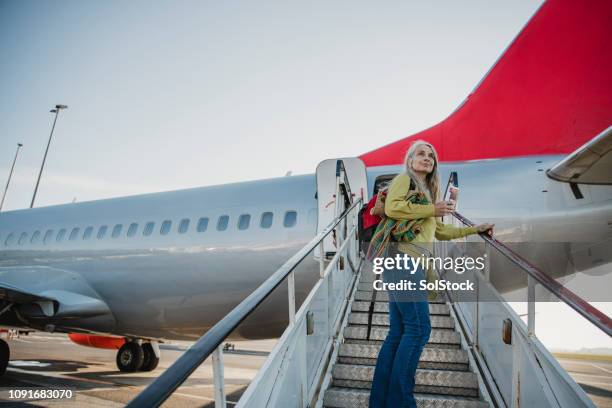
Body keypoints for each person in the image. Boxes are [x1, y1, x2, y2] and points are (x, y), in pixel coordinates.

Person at [368, 140, 493, 408]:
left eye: (431, 156)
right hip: (403, 259)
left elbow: (440, 231)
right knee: (420, 328)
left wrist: (474, 230)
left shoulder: (427, 192)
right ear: (410, 160)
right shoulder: (404, 179)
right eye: (421, 154)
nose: (427, 158)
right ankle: (400, 402)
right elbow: (393, 208)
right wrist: (431, 209)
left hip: (407, 262)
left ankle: (381, 402)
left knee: (399, 331)